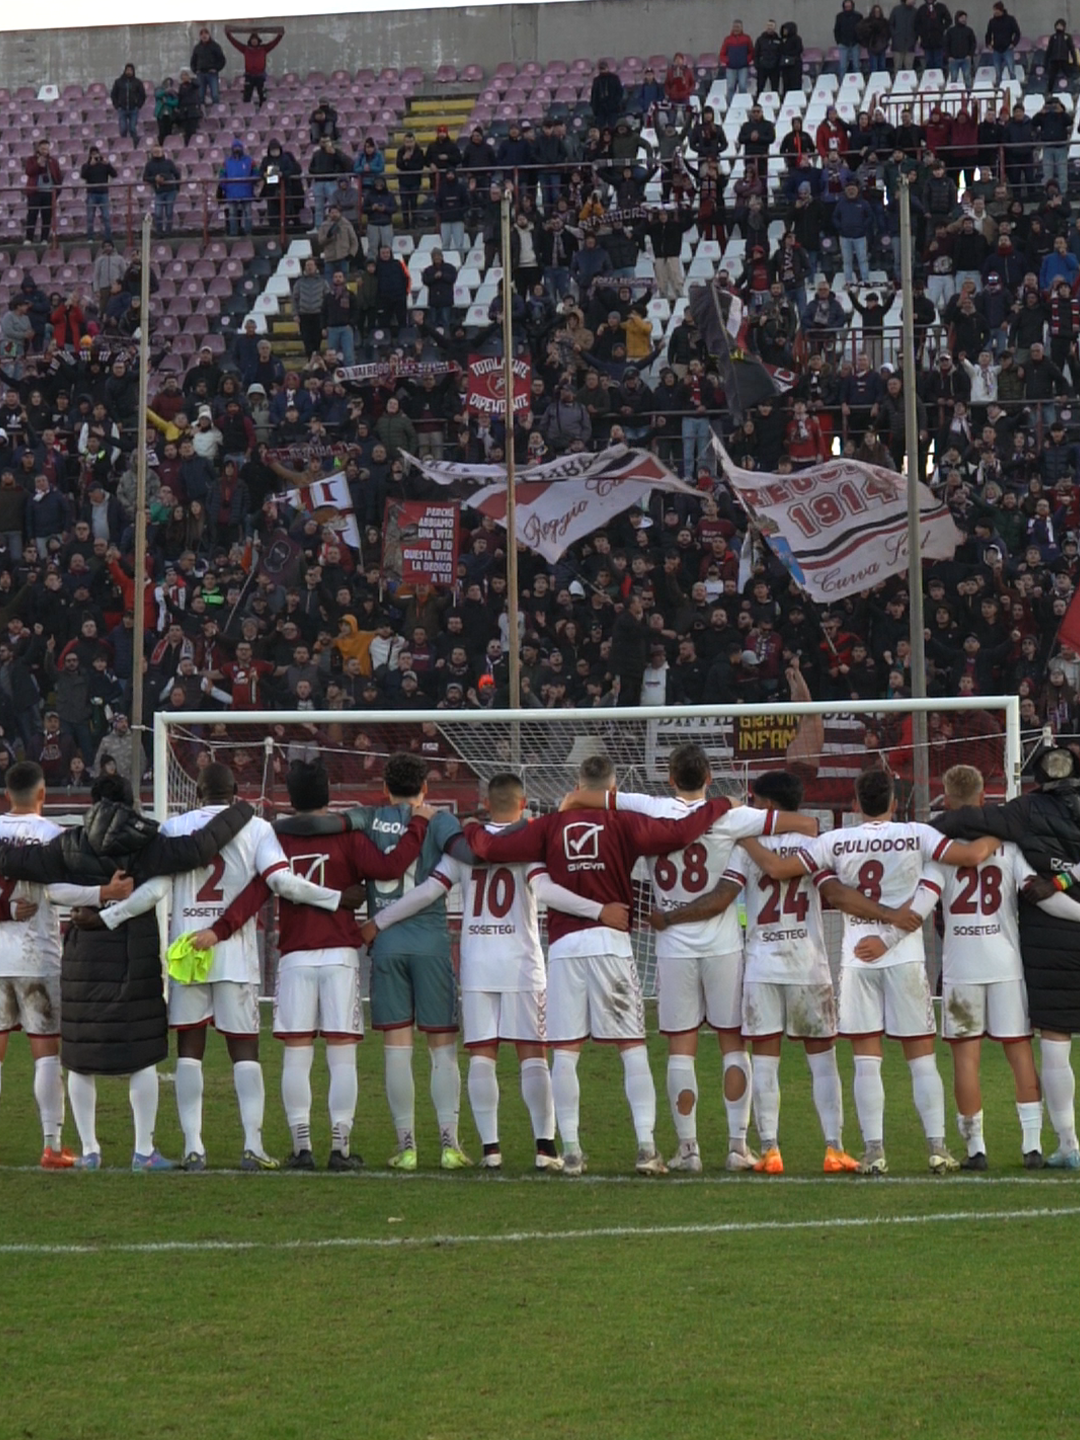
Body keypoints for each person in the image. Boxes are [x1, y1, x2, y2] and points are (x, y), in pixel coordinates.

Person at [464, 752, 739, 1176]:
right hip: (611, 945)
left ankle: (571, 1150)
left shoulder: (548, 826)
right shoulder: (624, 822)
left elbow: (491, 847)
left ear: (577, 785)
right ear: (613, 790)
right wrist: (721, 804)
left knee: (566, 1052)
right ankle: (646, 1148)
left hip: (564, 950)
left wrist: (470, 830)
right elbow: (682, 832)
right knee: (631, 1048)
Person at [652, 768, 923, 1174]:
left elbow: (723, 896)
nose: (754, 809)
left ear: (771, 805)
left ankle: (770, 1150)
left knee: (765, 1060)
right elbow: (831, 891)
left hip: (762, 964)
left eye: (757, 802)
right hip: (808, 963)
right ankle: (833, 1147)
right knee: (823, 1060)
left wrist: (671, 916)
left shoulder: (746, 849)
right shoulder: (816, 845)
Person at [96, 762, 363, 1170]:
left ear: (197, 792)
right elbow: (282, 883)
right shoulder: (256, 829)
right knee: (245, 1051)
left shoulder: (174, 828)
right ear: (236, 790)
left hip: (188, 956)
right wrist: (334, 898)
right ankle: (252, 1145)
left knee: (189, 1051)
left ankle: (193, 1147)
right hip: (235, 955)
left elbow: (156, 889)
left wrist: (109, 916)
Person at [367, 771, 628, 1172]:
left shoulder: (466, 845)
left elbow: (426, 892)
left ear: (486, 803)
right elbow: (547, 891)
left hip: (477, 966)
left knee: (482, 1058)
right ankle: (544, 1148)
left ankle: (491, 1150)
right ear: (523, 804)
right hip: (522, 964)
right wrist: (598, 910)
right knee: (533, 1057)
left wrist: (378, 921)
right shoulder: (530, 842)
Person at [744, 768, 1000, 1174]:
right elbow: (970, 856)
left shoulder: (834, 840)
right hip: (905, 958)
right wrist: (1002, 833)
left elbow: (777, 870)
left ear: (855, 804)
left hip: (856, 957)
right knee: (921, 1058)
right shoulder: (918, 833)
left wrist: (741, 837)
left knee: (866, 1059)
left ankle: (874, 1152)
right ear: (896, 803)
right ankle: (936, 1148)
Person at [577, 744, 817, 1172]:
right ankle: (737, 1146)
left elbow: (591, 797)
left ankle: (688, 1150)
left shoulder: (648, 807)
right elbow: (805, 823)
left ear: (669, 778)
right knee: (731, 1045)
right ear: (709, 776)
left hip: (672, 948)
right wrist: (743, 823)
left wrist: (571, 801)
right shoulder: (729, 816)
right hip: (724, 947)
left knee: (680, 1050)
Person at [0, 774, 254, 1169]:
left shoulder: (70, 843)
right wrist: (242, 809)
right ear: (133, 802)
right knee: (142, 1055)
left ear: (93, 802)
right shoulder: (147, 842)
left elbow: (21, 864)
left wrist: (94, 897)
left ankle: (89, 1152)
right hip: (134, 956)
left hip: (82, 956)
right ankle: (143, 1151)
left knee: (81, 1055)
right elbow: (200, 847)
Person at [192, 760, 432, 1171]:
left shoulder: (275, 840)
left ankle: (301, 1148)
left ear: (290, 799)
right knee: (341, 1055)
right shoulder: (349, 837)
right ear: (328, 796)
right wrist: (420, 826)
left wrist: (220, 929)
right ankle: (340, 1148)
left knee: (297, 1055)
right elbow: (391, 868)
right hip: (339, 954)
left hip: (295, 957)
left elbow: (256, 891)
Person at [901, 764, 1079, 1169]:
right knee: (1019, 1052)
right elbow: (1042, 896)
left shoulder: (939, 853)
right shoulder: (1010, 848)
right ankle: (1031, 1147)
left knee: (966, 1058)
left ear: (946, 801)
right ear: (984, 801)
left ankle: (976, 1149)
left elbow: (921, 908)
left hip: (962, 966)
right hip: (1005, 963)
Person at [0, 762, 131, 1169]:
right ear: (43, 794)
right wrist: (102, 892)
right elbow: (55, 891)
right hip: (36, 956)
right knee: (46, 1054)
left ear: (7, 796)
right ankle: (52, 1146)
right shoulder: (53, 836)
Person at [225, 26, 285, 108]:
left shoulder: (263, 48)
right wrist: (228, 35)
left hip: (260, 75)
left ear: (258, 41)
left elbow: (273, 43)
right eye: (252, 40)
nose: (254, 41)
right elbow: (235, 43)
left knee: (262, 96)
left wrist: (280, 35)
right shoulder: (245, 49)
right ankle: (246, 111)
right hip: (249, 76)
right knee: (247, 96)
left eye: (255, 40)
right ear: (250, 41)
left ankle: (263, 112)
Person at [25, 140, 61, 244]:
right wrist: (38, 164)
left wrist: (57, 191)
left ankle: (44, 239)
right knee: (32, 215)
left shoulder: (53, 161)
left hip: (49, 193)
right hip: (35, 192)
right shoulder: (31, 160)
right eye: (43, 149)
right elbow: (29, 172)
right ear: (38, 149)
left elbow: (58, 176)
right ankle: (29, 238)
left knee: (46, 216)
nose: (45, 151)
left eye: (46, 149)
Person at [79, 147, 117, 243]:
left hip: (103, 194)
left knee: (106, 217)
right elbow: (83, 175)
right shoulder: (86, 165)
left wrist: (108, 164)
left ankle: (108, 238)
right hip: (91, 193)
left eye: (96, 154)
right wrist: (90, 165)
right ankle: (90, 238)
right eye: (93, 154)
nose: (95, 156)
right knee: (90, 217)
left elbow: (114, 174)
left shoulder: (104, 165)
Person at [219, 139, 256, 237]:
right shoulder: (226, 162)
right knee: (232, 214)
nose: (237, 149)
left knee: (248, 213)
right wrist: (225, 186)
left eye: (238, 147)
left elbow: (256, 173)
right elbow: (222, 175)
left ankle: (248, 232)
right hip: (231, 192)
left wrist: (251, 182)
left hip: (246, 191)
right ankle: (233, 233)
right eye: (235, 147)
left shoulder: (249, 160)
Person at [143, 144, 181, 236]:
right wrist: (154, 179)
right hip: (158, 192)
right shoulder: (149, 165)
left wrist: (177, 187)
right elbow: (145, 178)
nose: (157, 154)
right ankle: (159, 232)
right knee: (158, 213)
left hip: (170, 191)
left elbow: (177, 174)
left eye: (158, 151)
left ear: (162, 152)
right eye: (155, 152)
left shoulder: (169, 162)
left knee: (169, 212)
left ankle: (168, 232)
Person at [190, 25, 227, 107]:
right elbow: (193, 61)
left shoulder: (215, 46)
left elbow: (222, 60)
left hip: (212, 74)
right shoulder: (197, 48)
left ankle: (216, 113)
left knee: (215, 95)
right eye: (202, 34)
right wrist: (195, 70)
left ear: (209, 35)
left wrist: (216, 69)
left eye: (206, 34)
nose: (204, 36)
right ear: (200, 36)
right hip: (200, 75)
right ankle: (201, 114)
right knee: (200, 96)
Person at [110, 63, 146, 144]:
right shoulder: (118, 82)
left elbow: (142, 95)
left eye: (130, 70)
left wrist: (138, 105)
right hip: (122, 109)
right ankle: (124, 144)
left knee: (133, 128)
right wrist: (117, 105)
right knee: (123, 129)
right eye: (127, 70)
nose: (129, 72)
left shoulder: (138, 82)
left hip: (134, 109)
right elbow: (113, 94)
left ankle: (134, 144)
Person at [985, 1, 1020, 82]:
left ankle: (1013, 85)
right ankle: (998, 88)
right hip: (996, 49)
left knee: (1011, 70)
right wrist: (988, 44)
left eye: (996, 10)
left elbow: (1017, 33)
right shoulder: (992, 21)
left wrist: (1013, 44)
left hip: (1008, 48)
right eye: (994, 10)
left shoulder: (1010, 19)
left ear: (1001, 10)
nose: (995, 12)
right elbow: (988, 34)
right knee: (998, 72)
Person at [719, 21, 754, 101]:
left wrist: (746, 60)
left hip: (743, 67)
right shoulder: (727, 39)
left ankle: (743, 103)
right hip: (731, 68)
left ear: (741, 28)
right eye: (735, 27)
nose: (736, 29)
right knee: (730, 87)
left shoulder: (747, 38)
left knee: (742, 86)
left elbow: (751, 51)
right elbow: (722, 53)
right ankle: (730, 105)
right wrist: (728, 61)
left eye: (738, 27)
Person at [590, 59, 625, 129]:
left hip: (612, 108)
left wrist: (615, 103)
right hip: (600, 108)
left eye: (604, 68)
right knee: (600, 127)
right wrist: (594, 108)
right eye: (601, 69)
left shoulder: (614, 78)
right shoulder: (596, 80)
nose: (602, 70)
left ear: (607, 68)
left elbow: (619, 92)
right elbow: (594, 95)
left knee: (613, 127)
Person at [835, 0, 864, 75]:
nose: (848, 8)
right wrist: (839, 41)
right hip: (843, 44)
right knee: (843, 66)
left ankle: (858, 83)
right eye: (846, 7)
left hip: (855, 44)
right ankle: (842, 84)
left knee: (856, 66)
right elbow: (836, 30)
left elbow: (862, 29)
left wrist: (859, 41)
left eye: (849, 6)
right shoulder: (839, 17)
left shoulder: (858, 16)